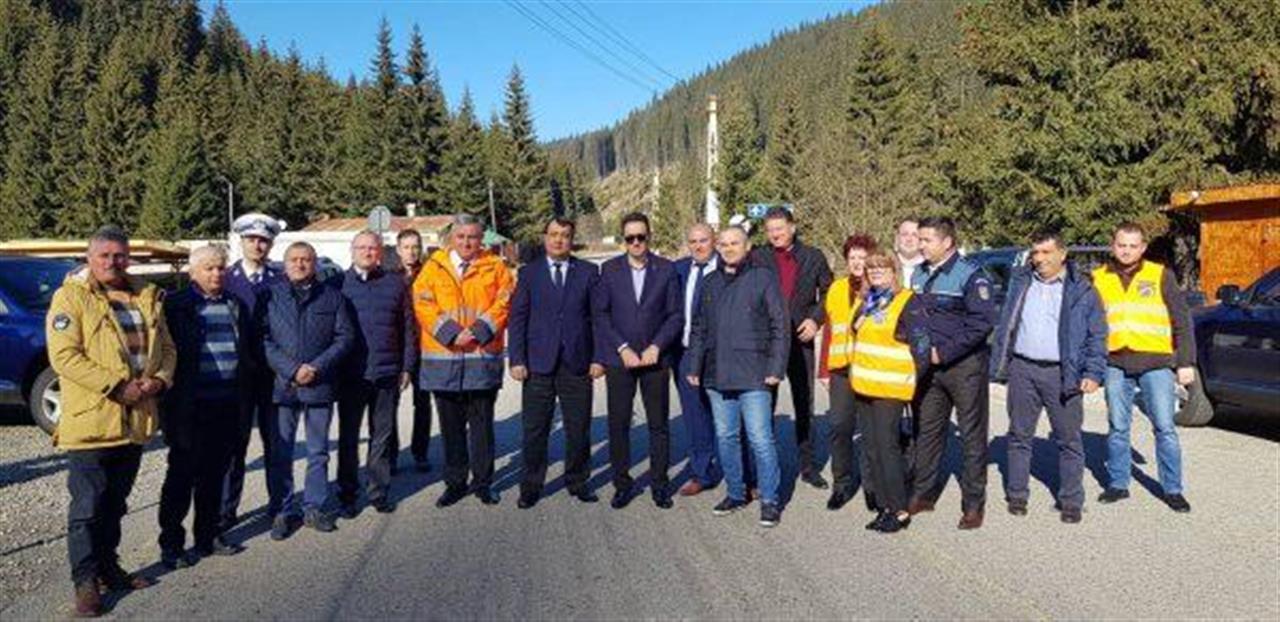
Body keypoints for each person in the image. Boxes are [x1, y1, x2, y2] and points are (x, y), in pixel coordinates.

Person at [46, 225, 176, 616]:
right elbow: (64, 356)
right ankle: (85, 582)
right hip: (94, 422)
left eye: (119, 255)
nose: (112, 262)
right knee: (87, 508)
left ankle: (108, 568)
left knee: (116, 503)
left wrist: (159, 380)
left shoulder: (146, 295)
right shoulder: (71, 297)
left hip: (135, 419)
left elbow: (167, 348)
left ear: (128, 257)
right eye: (103, 255)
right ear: (89, 258)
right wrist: (117, 387)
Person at [990, 231, 1107, 524]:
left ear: (1062, 254)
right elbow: (1006, 323)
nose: (1039, 259)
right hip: (1023, 369)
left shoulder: (1082, 289)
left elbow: (1097, 334)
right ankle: (1017, 495)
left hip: (1063, 373)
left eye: (1046, 252)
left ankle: (1071, 500)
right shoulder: (1021, 282)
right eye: (1035, 253)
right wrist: (1001, 362)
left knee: (1069, 440)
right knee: (1019, 435)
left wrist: (1093, 372)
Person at [687, 226, 790, 527]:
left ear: (747, 247)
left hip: (755, 374)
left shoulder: (763, 278)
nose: (729, 248)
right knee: (726, 437)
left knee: (760, 438)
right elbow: (699, 328)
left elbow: (779, 325)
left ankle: (769, 499)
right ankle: (735, 492)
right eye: (724, 244)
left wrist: (775, 368)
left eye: (735, 243)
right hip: (716, 374)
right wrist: (694, 365)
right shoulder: (710, 282)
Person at [158, 245, 251, 571]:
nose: (216, 274)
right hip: (188, 407)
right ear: (193, 272)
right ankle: (171, 544)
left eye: (221, 268)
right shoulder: (175, 306)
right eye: (209, 268)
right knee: (181, 476)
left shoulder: (235, 305)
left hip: (226, 404)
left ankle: (207, 536)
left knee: (214, 476)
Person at [1093, 222, 1195, 513]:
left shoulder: (1160, 275)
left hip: (1156, 364)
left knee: (1164, 428)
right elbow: (1090, 325)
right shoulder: (1098, 278)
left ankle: (1173, 489)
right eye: (1121, 245)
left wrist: (1185, 362)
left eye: (1132, 246)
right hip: (1115, 363)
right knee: (1118, 427)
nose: (1126, 251)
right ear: (1113, 245)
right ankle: (1118, 483)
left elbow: (1182, 321)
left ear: (1143, 248)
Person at [414, 214, 515, 508]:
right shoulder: (433, 267)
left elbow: (505, 301)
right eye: (461, 236)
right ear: (451, 238)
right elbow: (422, 302)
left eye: (472, 237)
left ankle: (483, 484)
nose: (467, 242)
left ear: (481, 239)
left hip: (481, 360)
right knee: (451, 429)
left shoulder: (495, 266)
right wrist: (450, 333)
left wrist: (479, 330)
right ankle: (455, 483)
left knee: (482, 429)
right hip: (444, 362)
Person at [907, 215, 996, 530]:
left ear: (947, 242)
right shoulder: (919, 273)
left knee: (972, 437)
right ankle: (923, 494)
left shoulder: (971, 275)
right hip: (929, 370)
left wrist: (943, 352)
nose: (920, 245)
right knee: (927, 432)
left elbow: (981, 324)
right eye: (919, 239)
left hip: (964, 368)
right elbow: (915, 318)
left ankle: (973, 505)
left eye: (926, 240)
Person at [508, 217, 604, 508]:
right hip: (538, 364)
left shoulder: (588, 272)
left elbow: (599, 318)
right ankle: (531, 486)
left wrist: (599, 357)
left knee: (578, 428)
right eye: (553, 234)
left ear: (572, 239)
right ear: (545, 237)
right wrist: (517, 359)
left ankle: (578, 481)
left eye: (565, 235)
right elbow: (518, 318)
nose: (559, 240)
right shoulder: (529, 273)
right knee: (535, 430)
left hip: (577, 363)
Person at [262, 242, 355, 539]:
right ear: (285, 263)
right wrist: (292, 370)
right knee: (281, 452)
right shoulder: (270, 296)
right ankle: (282, 510)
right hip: (283, 385)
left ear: (314, 264)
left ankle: (314, 507)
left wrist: (316, 367)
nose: (300, 264)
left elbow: (345, 337)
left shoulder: (333, 297)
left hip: (320, 383)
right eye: (294, 259)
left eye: (306, 259)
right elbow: (263, 340)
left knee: (318, 451)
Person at [593, 212, 683, 510]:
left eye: (641, 237)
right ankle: (622, 484)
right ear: (623, 240)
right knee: (618, 425)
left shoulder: (666, 269)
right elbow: (601, 315)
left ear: (649, 237)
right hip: (621, 361)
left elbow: (675, 315)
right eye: (630, 237)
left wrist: (657, 345)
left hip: (655, 360)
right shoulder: (609, 270)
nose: (636, 242)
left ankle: (660, 485)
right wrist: (622, 348)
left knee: (658, 425)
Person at [749, 207, 833, 489]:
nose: (775, 234)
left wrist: (816, 319)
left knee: (804, 403)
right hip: (768, 342)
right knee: (764, 405)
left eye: (780, 229)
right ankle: (764, 467)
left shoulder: (813, 256)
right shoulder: (757, 257)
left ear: (792, 228)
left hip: (801, 339)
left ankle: (808, 466)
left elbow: (829, 292)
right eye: (770, 230)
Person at [848, 250, 931, 533]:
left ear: (894, 271)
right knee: (871, 449)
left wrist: (912, 379)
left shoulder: (907, 301)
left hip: (890, 388)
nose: (875, 272)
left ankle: (899, 509)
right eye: (871, 269)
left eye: (881, 268)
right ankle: (884, 506)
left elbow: (922, 346)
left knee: (887, 448)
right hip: (864, 385)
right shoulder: (867, 302)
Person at [336, 231, 417, 518]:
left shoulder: (395, 283)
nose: (367, 252)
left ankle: (378, 492)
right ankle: (347, 494)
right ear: (352, 250)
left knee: (381, 436)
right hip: (351, 375)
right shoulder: (337, 284)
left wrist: (407, 366)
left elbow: (408, 328)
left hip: (387, 372)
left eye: (372, 248)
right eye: (362, 247)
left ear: (381, 252)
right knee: (348, 438)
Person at [222, 212, 284, 532]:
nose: (257, 245)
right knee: (235, 447)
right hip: (237, 379)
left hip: (272, 376)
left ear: (270, 245)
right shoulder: (225, 279)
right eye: (251, 239)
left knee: (276, 444)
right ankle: (226, 512)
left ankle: (279, 506)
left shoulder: (280, 280)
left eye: (263, 241)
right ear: (242, 242)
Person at [820, 234, 877, 512]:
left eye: (862, 257)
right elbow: (830, 331)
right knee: (840, 426)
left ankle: (872, 487)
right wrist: (823, 369)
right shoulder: (836, 288)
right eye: (852, 257)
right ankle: (841, 484)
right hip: (841, 369)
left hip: (869, 369)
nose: (857, 262)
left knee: (869, 430)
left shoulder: (880, 289)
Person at [672, 223, 723, 496]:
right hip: (685, 354)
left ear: (714, 240)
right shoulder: (678, 270)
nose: (698, 246)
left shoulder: (729, 267)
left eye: (703, 240)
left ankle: (743, 476)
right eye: (693, 241)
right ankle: (701, 473)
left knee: (729, 416)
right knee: (695, 416)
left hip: (720, 355)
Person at [392, 228, 429, 473]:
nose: (411, 252)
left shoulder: (429, 274)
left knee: (422, 404)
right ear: (398, 250)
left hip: (424, 347)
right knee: (390, 405)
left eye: (415, 247)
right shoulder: (389, 277)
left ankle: (420, 452)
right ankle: (391, 454)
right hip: (397, 347)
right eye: (406, 247)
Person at [894, 218, 924, 288]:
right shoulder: (885, 267)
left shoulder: (931, 270)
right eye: (905, 234)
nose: (909, 239)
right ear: (897, 239)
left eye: (915, 235)